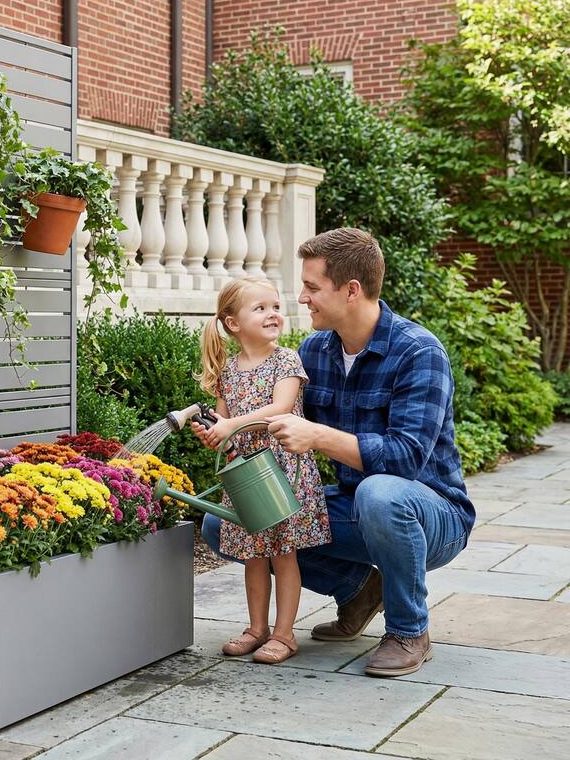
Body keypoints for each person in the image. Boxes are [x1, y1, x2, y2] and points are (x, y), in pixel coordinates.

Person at [201, 228, 475, 677]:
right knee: (227, 520)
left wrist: (317, 435)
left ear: (351, 290)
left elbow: (405, 459)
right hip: (352, 504)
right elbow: (266, 415)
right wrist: (225, 426)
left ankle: (409, 629)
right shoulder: (315, 351)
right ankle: (359, 590)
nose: (302, 298)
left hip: (430, 513)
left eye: (312, 287)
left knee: (381, 493)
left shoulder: (418, 352)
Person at [192, 276, 331, 665]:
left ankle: (285, 634)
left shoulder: (285, 360)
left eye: (275, 306)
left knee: (284, 555)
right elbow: (224, 422)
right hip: (246, 473)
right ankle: (257, 628)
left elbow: (281, 409)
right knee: (253, 555)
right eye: (260, 308)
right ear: (233, 323)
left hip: (284, 468)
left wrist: (230, 425)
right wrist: (215, 433)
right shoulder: (227, 370)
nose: (273, 314)